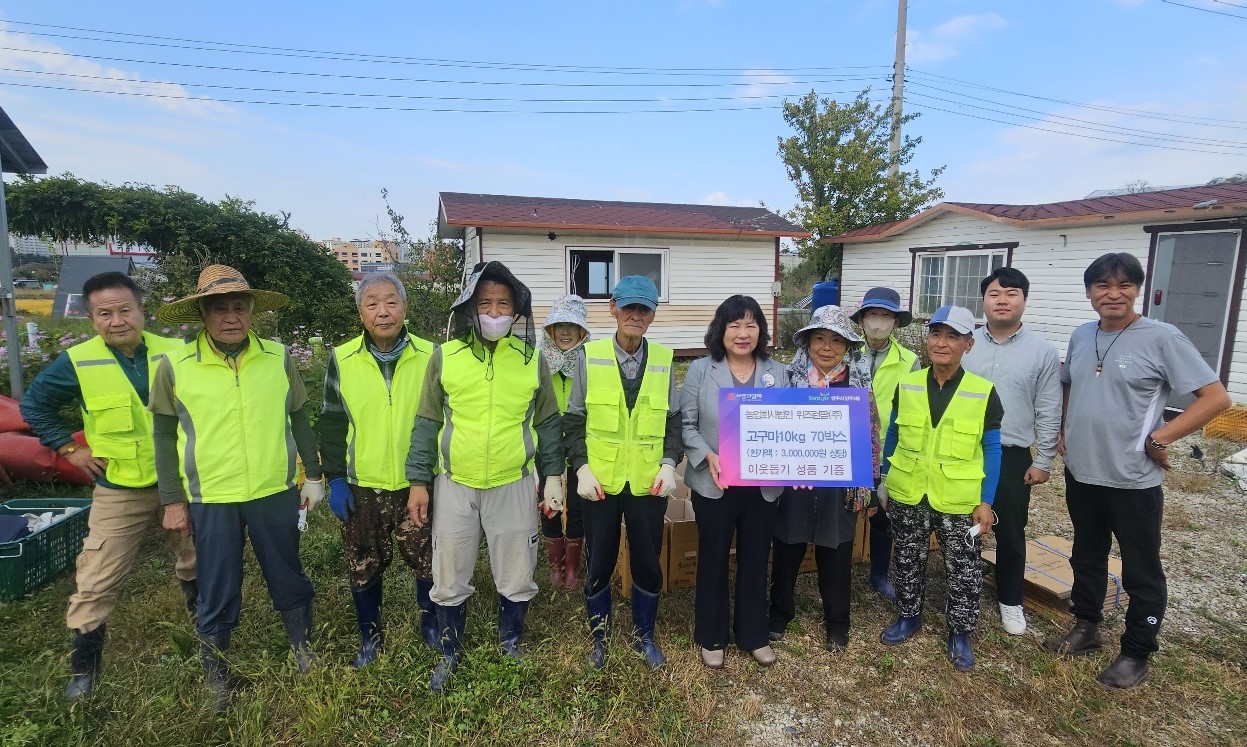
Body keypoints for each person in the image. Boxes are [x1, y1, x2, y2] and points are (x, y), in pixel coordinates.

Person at [1045, 252, 1230, 690]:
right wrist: (1064, 430)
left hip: (1132, 479)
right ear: (1089, 292)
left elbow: (1215, 398)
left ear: (1137, 289)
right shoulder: (1081, 334)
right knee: (1085, 556)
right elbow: (1070, 381)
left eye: (1124, 285)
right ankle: (1086, 626)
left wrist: (1161, 437)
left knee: (1140, 569)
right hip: (1082, 473)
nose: (1113, 294)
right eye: (1103, 286)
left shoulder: (1163, 338)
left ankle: (1136, 651)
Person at [150, 264, 325, 708]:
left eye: (240, 307)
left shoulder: (277, 357)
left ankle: (302, 648)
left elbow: (299, 416)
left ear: (252, 313)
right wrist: (172, 499)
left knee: (287, 572)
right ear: (204, 314)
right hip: (212, 496)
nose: (231, 317)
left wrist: (315, 475)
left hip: (273, 490)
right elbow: (163, 434)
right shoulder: (176, 366)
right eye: (220, 308)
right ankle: (216, 674)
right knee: (218, 582)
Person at [19, 271, 197, 701]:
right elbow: (34, 404)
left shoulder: (178, 351)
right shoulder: (78, 361)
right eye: (104, 313)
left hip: (187, 480)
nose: (117, 320)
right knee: (97, 573)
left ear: (141, 311)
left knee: (198, 558)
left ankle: (207, 634)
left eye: (124, 310)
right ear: (91, 318)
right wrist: (68, 449)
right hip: (121, 484)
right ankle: (84, 669)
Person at [405, 261, 565, 692]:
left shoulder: (533, 360)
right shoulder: (446, 357)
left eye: (503, 304)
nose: (494, 312)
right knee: (450, 569)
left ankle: (510, 640)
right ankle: (450, 649)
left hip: (512, 482)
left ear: (516, 311)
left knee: (516, 569)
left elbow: (548, 423)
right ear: (470, 309)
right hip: (455, 483)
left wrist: (553, 477)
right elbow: (425, 421)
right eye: (485, 304)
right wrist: (419, 482)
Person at [319, 272, 438, 668]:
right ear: (360, 312)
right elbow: (332, 422)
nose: (382, 312)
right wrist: (335, 478)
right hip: (362, 483)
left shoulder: (431, 356)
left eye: (391, 302)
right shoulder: (342, 358)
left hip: (417, 482)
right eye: (372, 304)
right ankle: (370, 637)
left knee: (428, 559)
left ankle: (431, 626)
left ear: (405, 308)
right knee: (363, 563)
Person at [563, 275, 681, 670]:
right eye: (628, 307)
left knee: (648, 559)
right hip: (600, 482)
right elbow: (573, 419)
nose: (635, 315)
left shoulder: (665, 360)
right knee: (599, 560)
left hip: (649, 483)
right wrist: (580, 468)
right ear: (612, 307)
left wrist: (669, 463)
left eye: (643, 309)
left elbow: (675, 421)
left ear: (652, 315)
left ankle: (643, 636)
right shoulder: (588, 356)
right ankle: (600, 639)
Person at [878, 305, 1002, 672]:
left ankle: (960, 632)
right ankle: (908, 616)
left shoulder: (983, 392)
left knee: (963, 567)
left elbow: (991, 447)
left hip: (958, 499)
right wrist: (885, 479)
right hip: (909, 491)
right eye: (935, 334)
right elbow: (894, 434)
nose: (941, 343)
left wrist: (986, 501)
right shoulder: (909, 384)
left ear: (968, 344)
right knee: (907, 558)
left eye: (952, 336)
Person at [680, 295, 789, 669]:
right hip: (715, 482)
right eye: (734, 325)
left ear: (761, 330)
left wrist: (800, 467)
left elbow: (790, 428)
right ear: (720, 330)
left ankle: (753, 634)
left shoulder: (779, 373)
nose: (743, 334)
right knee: (712, 557)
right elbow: (686, 425)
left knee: (756, 558)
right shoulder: (700, 370)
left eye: (751, 325)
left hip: (763, 485)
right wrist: (707, 455)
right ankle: (711, 636)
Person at [767, 305, 881, 653]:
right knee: (787, 547)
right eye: (819, 339)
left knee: (837, 551)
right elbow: (774, 429)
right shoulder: (790, 380)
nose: (827, 347)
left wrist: (870, 485)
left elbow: (871, 435)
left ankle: (837, 621)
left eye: (836, 340)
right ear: (808, 343)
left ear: (848, 346)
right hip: (795, 481)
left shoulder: (858, 384)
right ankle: (780, 612)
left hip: (840, 482)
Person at [962, 268, 1061, 636]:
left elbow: (1050, 407)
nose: (1002, 300)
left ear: (1024, 300)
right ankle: (963, 592)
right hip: (963, 451)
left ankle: (1011, 601)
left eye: (1012, 293)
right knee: (962, 525)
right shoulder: (964, 343)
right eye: (994, 293)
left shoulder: (1043, 351)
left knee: (1010, 531)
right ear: (984, 300)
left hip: (1012, 453)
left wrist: (1044, 459)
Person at [849, 286, 920, 601]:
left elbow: (913, 411)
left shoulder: (910, 361)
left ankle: (879, 574)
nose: (878, 322)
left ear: (896, 322)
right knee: (844, 513)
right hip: (846, 451)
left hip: (885, 453)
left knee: (882, 516)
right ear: (862, 320)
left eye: (885, 316)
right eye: (872, 315)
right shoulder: (846, 352)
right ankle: (839, 569)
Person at [537, 295, 591, 590]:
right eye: (559, 325)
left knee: (579, 506)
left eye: (572, 325)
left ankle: (572, 569)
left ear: (582, 331)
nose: (566, 331)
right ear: (550, 330)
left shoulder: (591, 361)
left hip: (579, 447)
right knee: (550, 505)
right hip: (547, 448)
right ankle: (555, 568)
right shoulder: (537, 360)